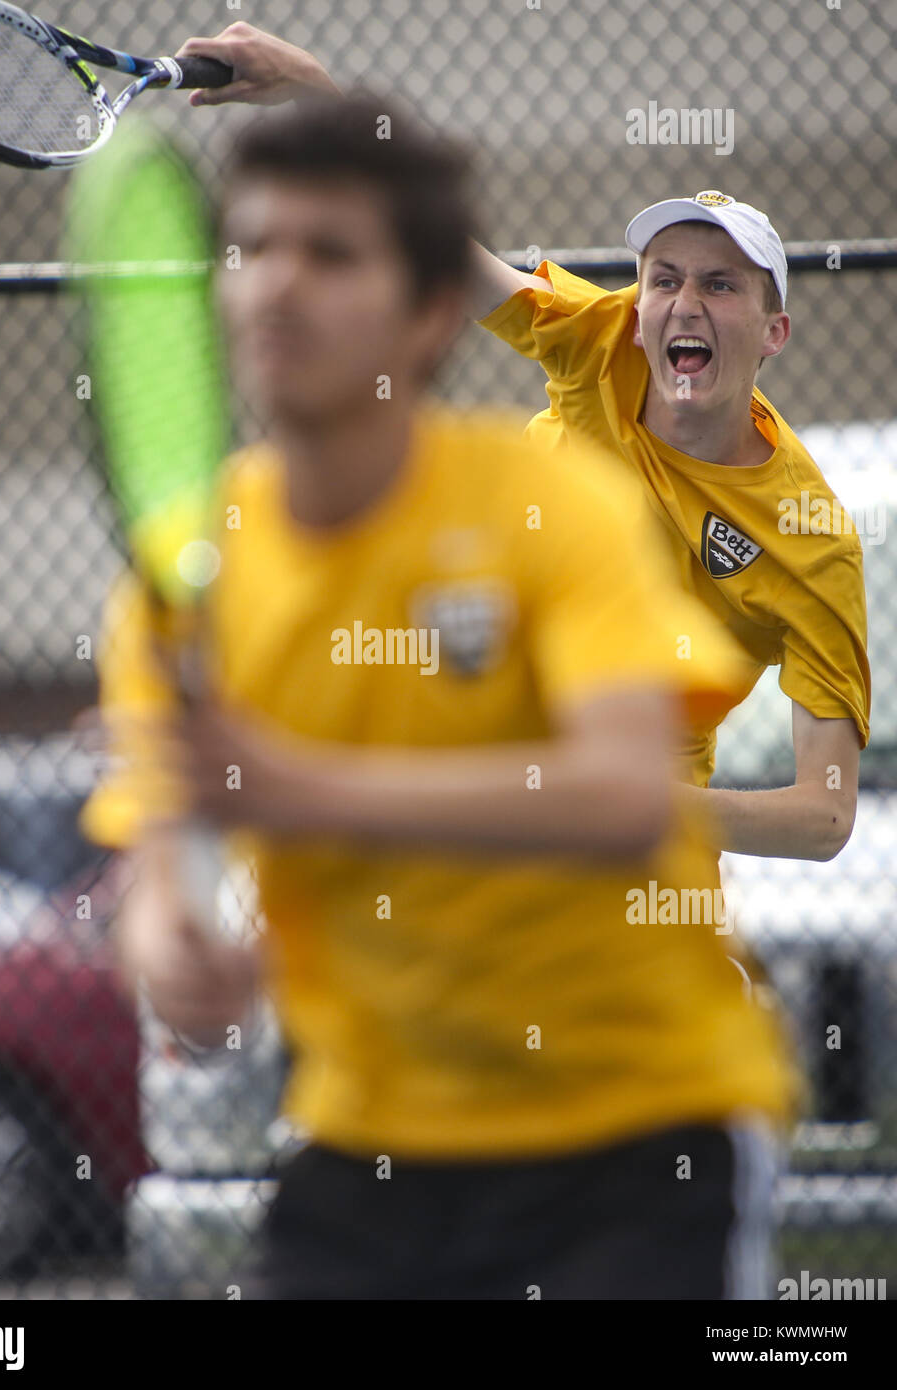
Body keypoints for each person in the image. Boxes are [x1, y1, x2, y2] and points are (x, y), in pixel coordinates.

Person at [81, 94, 800, 1300]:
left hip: (638, 1139)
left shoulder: (552, 510)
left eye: (330, 253)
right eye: (254, 249)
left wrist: (302, 786)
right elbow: (163, 886)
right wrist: (180, 965)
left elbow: (625, 794)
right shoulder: (175, 587)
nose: (277, 286)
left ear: (425, 315)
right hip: (366, 1153)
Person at [173, 22, 870, 864]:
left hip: (621, 856)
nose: (685, 302)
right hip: (455, 736)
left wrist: (627, 801)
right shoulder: (599, 337)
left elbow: (825, 819)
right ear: (640, 314)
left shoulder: (810, 535)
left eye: (721, 284)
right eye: (665, 280)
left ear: (775, 332)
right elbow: (456, 265)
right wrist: (316, 94)